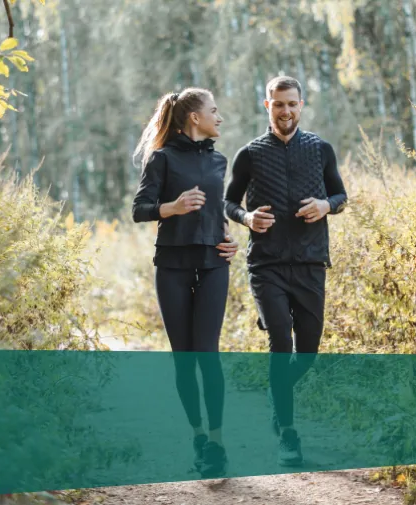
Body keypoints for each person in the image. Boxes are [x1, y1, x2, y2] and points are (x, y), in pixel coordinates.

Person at [223, 76, 347, 467]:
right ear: (267, 106)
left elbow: (340, 194)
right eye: (279, 104)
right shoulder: (250, 154)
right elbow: (228, 202)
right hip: (267, 264)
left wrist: (327, 206)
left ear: (301, 104)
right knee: (281, 340)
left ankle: (277, 395)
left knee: (307, 355)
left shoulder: (320, 149)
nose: (286, 111)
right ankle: (289, 436)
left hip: (311, 262)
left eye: (292, 104)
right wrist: (246, 217)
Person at [131, 87, 238, 478]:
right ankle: (197, 436)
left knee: (207, 354)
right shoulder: (161, 159)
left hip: (213, 264)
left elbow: (217, 214)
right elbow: (139, 210)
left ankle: (217, 444)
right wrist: (172, 208)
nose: (219, 117)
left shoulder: (219, 160)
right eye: (214, 110)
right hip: (173, 266)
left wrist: (230, 239)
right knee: (184, 358)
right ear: (195, 117)